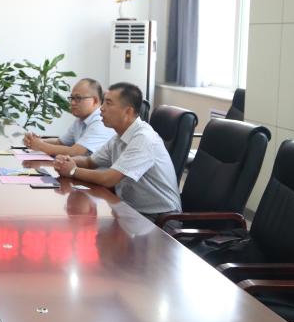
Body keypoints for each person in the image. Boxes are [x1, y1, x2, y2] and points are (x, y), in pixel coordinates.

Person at [52, 82, 182, 221]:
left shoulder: (144, 138)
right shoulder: (118, 137)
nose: (101, 108)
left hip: (160, 219)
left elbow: (109, 179)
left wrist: (73, 171)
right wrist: (67, 161)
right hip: (130, 210)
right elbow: (90, 162)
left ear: (128, 111)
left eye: (108, 103)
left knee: (87, 226)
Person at [23, 78, 115, 156]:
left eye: (78, 98)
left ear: (95, 101)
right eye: (72, 98)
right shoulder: (80, 119)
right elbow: (60, 142)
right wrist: (34, 141)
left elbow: (76, 152)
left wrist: (40, 145)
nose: (72, 103)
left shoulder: (101, 122)